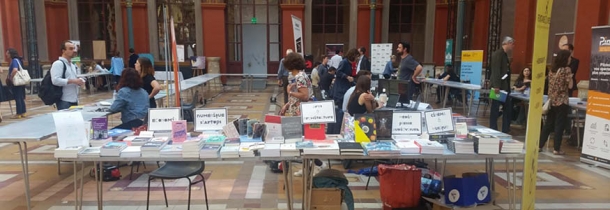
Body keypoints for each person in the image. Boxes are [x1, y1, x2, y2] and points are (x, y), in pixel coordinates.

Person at [539, 50, 573, 155]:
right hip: (562, 101)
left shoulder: (552, 70)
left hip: (552, 100)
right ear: (565, 58)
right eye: (569, 57)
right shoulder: (566, 70)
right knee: (559, 125)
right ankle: (556, 148)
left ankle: (540, 145)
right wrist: (571, 77)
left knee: (548, 124)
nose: (570, 59)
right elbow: (570, 86)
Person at [489, 36, 515, 133]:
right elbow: (496, 71)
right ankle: (493, 128)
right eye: (512, 44)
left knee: (507, 109)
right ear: (507, 43)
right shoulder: (498, 54)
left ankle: (505, 129)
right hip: (498, 87)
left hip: (505, 87)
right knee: (495, 109)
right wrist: (496, 86)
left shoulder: (504, 55)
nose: (513, 46)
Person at [51, 41, 86, 110]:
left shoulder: (72, 65)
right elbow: (55, 80)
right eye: (70, 49)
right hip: (64, 100)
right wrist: (73, 81)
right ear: (63, 51)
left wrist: (79, 81)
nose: (74, 51)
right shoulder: (58, 64)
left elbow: (73, 79)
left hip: (74, 99)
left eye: (74, 48)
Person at [5, 48, 27, 119]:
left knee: (17, 97)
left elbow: (15, 69)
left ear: (11, 54)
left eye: (7, 53)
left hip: (16, 81)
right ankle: (23, 112)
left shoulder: (14, 61)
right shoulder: (18, 60)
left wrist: (10, 77)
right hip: (20, 81)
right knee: (20, 96)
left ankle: (19, 113)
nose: (6, 54)